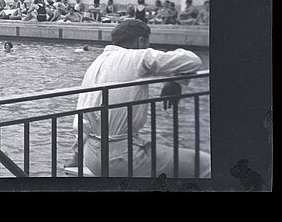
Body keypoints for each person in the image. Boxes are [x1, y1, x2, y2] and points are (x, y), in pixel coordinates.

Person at [70, 20, 210, 178]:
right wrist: (175, 80)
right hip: (120, 157)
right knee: (206, 164)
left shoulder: (97, 63)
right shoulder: (139, 56)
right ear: (141, 40)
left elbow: (82, 118)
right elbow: (192, 60)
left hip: (91, 156)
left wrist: (77, 156)